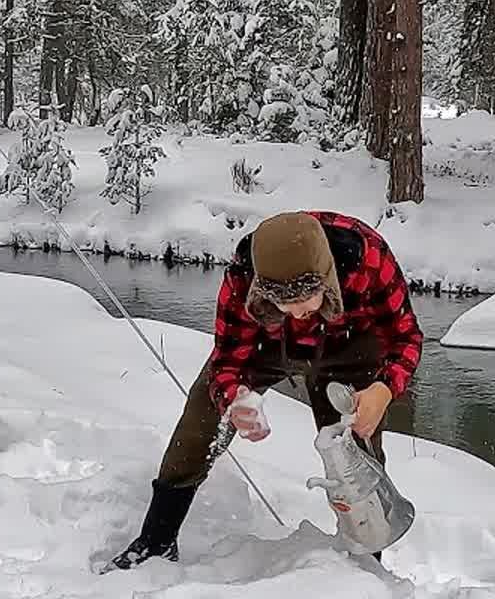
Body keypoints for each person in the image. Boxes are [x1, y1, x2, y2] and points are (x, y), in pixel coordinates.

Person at [108, 210, 423, 571]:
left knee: (354, 450)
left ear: (327, 279)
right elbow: (227, 360)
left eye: (305, 302)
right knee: (200, 424)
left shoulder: (368, 258)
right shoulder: (243, 276)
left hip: (348, 345)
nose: (298, 314)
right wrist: (235, 400)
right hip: (268, 343)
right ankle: (156, 541)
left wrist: (384, 388)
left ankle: (365, 567)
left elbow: (407, 336)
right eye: (283, 304)